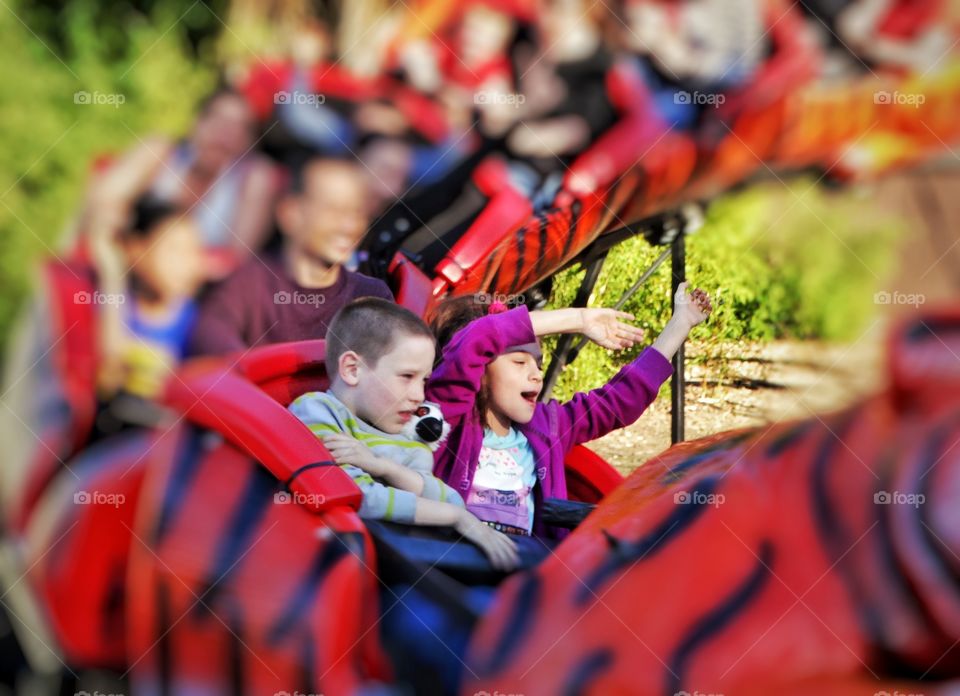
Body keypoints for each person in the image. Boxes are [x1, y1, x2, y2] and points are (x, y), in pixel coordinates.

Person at [426, 283, 713, 539]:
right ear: (481, 368)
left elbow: (619, 400)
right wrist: (579, 319)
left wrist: (681, 323)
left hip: (521, 575)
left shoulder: (549, 425)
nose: (536, 374)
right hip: (450, 573)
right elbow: (477, 338)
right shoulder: (445, 421)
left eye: (538, 363)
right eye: (519, 362)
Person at [289, 298, 519, 570]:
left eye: (424, 380)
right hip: (332, 567)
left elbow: (450, 498)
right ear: (353, 369)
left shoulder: (407, 438)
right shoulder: (318, 411)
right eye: (406, 376)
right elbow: (354, 496)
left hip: (400, 562)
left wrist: (385, 468)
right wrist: (455, 517)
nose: (419, 396)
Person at [187, 157, 393, 356]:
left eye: (357, 212)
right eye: (334, 211)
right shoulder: (249, 283)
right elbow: (211, 335)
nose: (349, 226)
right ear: (290, 214)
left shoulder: (370, 297)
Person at [86, 87, 278, 276]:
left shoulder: (253, 181)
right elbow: (102, 202)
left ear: (250, 143)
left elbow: (236, 260)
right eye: (218, 120)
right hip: (120, 266)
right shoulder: (160, 152)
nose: (225, 134)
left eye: (240, 127)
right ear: (196, 123)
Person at [91, 196, 206, 432]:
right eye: (176, 250)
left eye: (194, 251)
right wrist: (112, 274)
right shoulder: (115, 305)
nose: (189, 264)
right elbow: (109, 368)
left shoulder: (195, 321)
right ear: (136, 250)